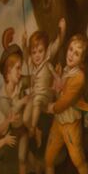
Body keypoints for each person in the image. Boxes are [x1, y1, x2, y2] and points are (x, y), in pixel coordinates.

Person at [39, 33, 88, 174]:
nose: (71, 54)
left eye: (77, 53)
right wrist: (56, 77)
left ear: (81, 60)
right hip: (59, 123)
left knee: (77, 159)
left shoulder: (79, 77)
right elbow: (57, 88)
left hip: (71, 123)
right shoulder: (65, 69)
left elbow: (64, 102)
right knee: (48, 158)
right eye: (71, 49)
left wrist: (48, 108)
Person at [0, 30, 40, 174]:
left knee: (23, 156)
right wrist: (22, 100)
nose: (20, 71)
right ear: (8, 72)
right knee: (25, 156)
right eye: (17, 68)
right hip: (17, 128)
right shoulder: (3, 99)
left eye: (21, 68)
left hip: (25, 125)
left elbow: (32, 79)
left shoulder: (21, 81)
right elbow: (12, 117)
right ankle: (36, 171)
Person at [22, 17, 67, 148]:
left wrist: (62, 30)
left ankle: (33, 129)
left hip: (45, 94)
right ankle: (36, 130)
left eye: (40, 51)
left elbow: (58, 43)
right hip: (35, 94)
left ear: (46, 50)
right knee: (25, 118)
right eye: (34, 52)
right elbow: (26, 56)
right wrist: (24, 44)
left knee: (37, 103)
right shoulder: (32, 64)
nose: (37, 55)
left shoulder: (47, 59)